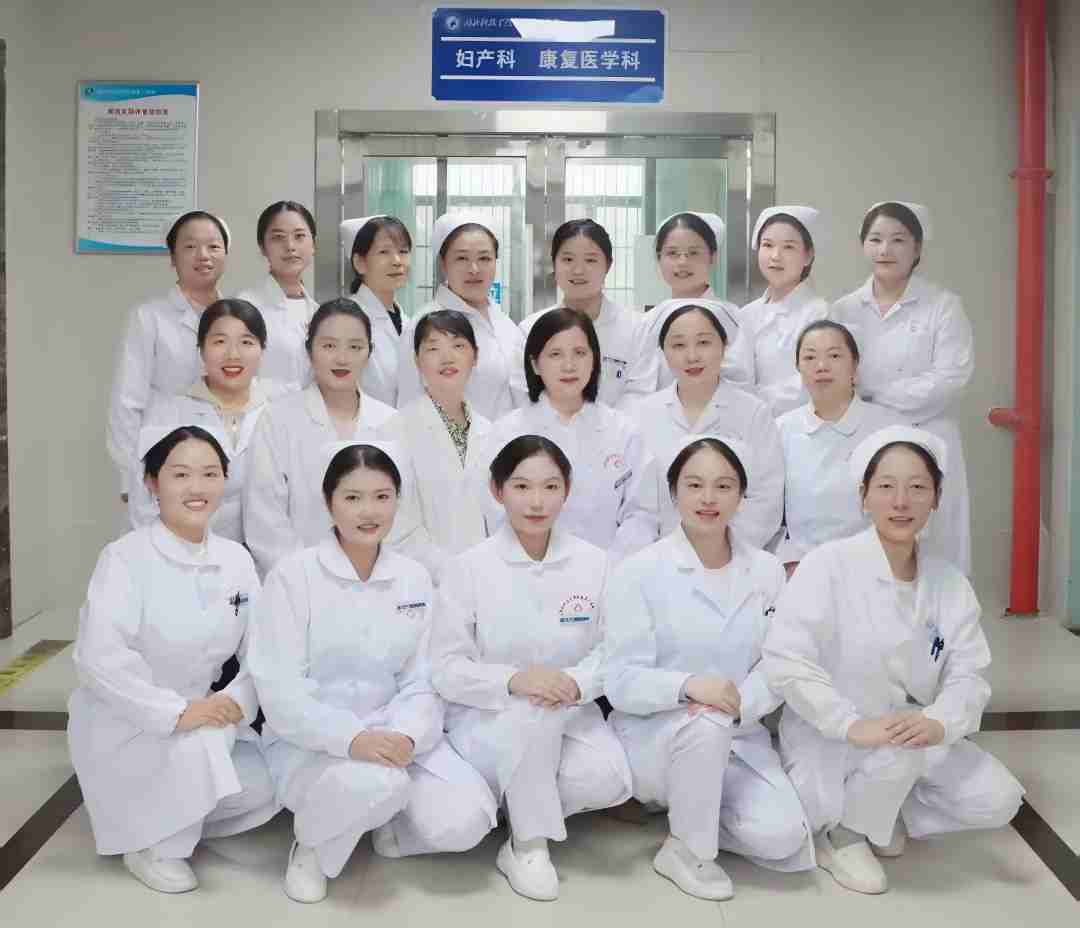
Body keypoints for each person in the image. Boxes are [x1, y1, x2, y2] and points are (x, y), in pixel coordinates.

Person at [763, 426, 1024, 895]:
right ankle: (843, 834)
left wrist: (941, 722)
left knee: (998, 799)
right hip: (834, 738)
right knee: (894, 755)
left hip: (909, 736)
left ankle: (879, 810)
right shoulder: (827, 565)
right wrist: (849, 724)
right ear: (864, 496)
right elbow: (787, 660)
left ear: (936, 498)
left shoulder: (949, 583)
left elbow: (969, 674)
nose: (901, 501)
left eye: (918, 487)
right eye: (886, 486)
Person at [250, 441, 497, 903]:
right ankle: (312, 847)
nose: (369, 511)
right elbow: (280, 690)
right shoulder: (293, 577)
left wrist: (406, 735)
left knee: (466, 820)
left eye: (382, 497)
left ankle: (387, 829)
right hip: (313, 739)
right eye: (353, 497)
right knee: (376, 783)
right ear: (329, 503)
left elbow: (424, 678)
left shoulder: (413, 578)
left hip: (395, 734)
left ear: (397, 502)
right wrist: (352, 739)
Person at [69, 424, 278, 894]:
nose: (196, 487)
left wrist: (234, 701)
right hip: (129, 719)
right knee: (204, 750)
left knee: (269, 783)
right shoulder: (124, 558)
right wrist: (177, 712)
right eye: (180, 474)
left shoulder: (236, 560)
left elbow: (264, 651)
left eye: (209, 474)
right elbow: (99, 658)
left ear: (224, 481)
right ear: (152, 483)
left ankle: (166, 814)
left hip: (208, 711)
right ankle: (155, 847)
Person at [605, 436, 812, 901]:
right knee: (703, 729)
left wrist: (736, 707)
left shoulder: (767, 571)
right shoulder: (638, 571)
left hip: (738, 730)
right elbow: (621, 680)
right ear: (673, 492)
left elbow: (777, 663)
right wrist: (688, 687)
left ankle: (689, 813)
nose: (708, 498)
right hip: (657, 732)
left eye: (723, 486)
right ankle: (687, 851)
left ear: (742, 494)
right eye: (694, 485)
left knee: (782, 838)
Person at [432, 435, 633, 901]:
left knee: (608, 778)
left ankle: (517, 804)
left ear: (567, 490)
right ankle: (528, 846)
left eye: (550, 486)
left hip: (568, 711)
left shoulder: (595, 563)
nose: (537, 501)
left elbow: (616, 651)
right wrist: (514, 680)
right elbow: (445, 666)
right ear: (497, 490)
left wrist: (574, 682)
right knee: (530, 712)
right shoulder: (468, 568)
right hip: (488, 718)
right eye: (521, 487)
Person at [831, 201, 974, 574]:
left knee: (937, 546)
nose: (885, 249)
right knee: (868, 548)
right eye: (875, 239)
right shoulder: (844, 310)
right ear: (863, 245)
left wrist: (874, 392)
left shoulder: (943, 306)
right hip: (863, 439)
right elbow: (833, 375)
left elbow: (950, 379)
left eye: (898, 240)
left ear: (917, 248)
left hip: (931, 437)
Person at [481, 308, 659, 561]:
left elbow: (642, 514)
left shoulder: (623, 431)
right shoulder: (507, 432)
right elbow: (495, 511)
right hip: (525, 572)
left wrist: (609, 567)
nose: (568, 366)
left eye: (580, 353)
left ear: (594, 360)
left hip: (608, 573)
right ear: (535, 364)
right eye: (555, 354)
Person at [243, 299, 396, 575]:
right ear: (309, 350)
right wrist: (309, 578)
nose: (342, 358)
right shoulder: (278, 420)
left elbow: (401, 516)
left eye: (355, 347)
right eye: (329, 346)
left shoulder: (390, 422)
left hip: (376, 578)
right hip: (298, 579)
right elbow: (264, 518)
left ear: (369, 353)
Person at [127, 299, 289, 544]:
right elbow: (144, 502)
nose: (233, 354)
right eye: (220, 342)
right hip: (185, 553)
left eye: (246, 342)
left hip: (270, 556)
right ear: (201, 350)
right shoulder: (168, 414)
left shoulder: (280, 413)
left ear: (262, 350)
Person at [632, 302, 783, 548]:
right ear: (663, 353)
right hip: (660, 556)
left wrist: (720, 551)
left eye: (703, 342)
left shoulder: (754, 413)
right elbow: (637, 504)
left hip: (735, 556)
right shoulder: (643, 415)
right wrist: (661, 554)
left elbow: (767, 500)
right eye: (678, 345)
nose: (692, 356)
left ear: (724, 346)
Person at [107, 211, 230, 500]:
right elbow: (126, 402)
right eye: (190, 246)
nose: (203, 255)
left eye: (213, 246)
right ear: (173, 258)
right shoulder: (149, 317)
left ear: (226, 254)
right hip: (163, 459)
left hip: (225, 461)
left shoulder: (238, 317)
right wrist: (130, 477)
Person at [775, 320, 904, 571]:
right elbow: (769, 513)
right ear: (798, 367)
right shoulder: (781, 430)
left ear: (854, 364)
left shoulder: (889, 428)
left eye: (834, 356)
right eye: (809, 357)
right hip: (803, 568)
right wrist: (789, 561)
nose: (821, 366)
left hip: (875, 566)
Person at [378, 310, 491, 578]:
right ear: (417, 360)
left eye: (458, 346)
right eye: (433, 348)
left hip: (486, 577)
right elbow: (398, 523)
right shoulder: (395, 430)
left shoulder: (490, 431)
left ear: (475, 356)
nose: (447, 357)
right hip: (424, 579)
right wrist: (452, 571)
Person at [396, 212, 527, 419]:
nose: (474, 269)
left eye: (484, 258)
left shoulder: (504, 322)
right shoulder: (424, 324)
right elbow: (409, 406)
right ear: (443, 263)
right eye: (462, 258)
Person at [519, 218, 657, 410]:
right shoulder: (530, 328)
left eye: (590, 260)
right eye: (568, 259)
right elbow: (524, 392)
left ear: (608, 265)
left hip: (619, 428)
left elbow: (640, 393)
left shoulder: (637, 328)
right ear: (554, 264)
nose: (578, 270)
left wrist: (600, 424)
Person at [739, 206, 829, 416]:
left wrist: (752, 404)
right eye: (767, 245)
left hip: (799, 425)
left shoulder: (819, 314)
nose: (775, 256)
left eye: (788, 247)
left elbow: (811, 382)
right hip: (748, 423)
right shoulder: (746, 315)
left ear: (808, 256)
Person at [645, 211, 750, 390]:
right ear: (659, 258)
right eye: (672, 253)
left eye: (693, 253)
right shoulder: (647, 322)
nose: (682, 262)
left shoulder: (733, 318)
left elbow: (740, 384)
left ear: (713, 256)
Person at [236, 201, 319, 390]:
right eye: (278, 237)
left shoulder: (319, 313)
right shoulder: (244, 307)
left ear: (313, 244)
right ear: (263, 248)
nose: (290, 246)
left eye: (299, 236)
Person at [341, 215, 412, 406]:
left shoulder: (408, 321)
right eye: (384, 252)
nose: (397, 261)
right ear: (360, 263)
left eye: (403, 251)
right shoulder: (346, 319)